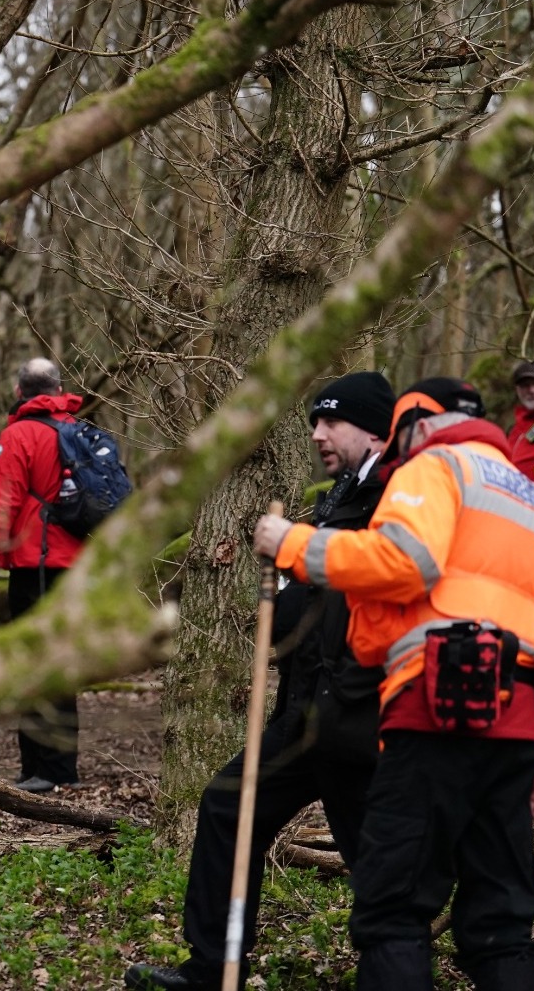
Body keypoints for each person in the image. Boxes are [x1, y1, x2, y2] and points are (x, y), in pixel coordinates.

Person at [254, 377, 534, 991]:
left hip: (431, 716)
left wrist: (294, 545)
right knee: (500, 925)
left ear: (417, 423)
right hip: (516, 730)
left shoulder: (432, 467)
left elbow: (405, 563)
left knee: (392, 911)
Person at [125, 372, 394, 991]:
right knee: (228, 806)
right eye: (315, 422)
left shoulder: (395, 497)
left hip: (356, 717)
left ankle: (398, 973)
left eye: (333, 422)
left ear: (376, 431)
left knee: (375, 861)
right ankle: (212, 968)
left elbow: (369, 589)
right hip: (304, 713)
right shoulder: (342, 492)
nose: (319, 433)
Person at [0, 358, 86, 793]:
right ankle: (60, 767)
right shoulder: (82, 431)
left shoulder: (18, 435)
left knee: (34, 661)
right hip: (78, 568)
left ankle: (43, 770)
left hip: (35, 565)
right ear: (58, 390)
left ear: (20, 392)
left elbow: (0, 506)